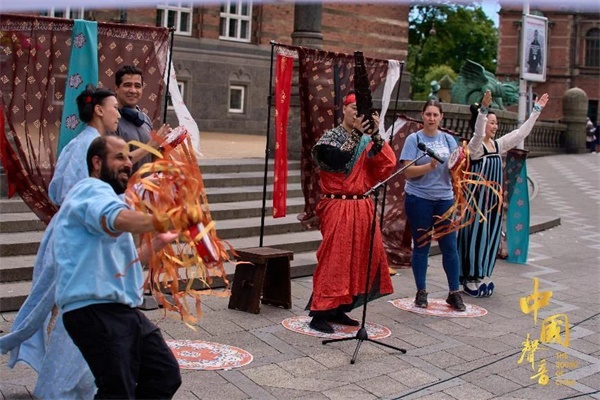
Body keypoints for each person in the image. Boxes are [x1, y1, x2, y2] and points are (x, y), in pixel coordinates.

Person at [0, 85, 162, 399]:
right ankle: (57, 390)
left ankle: (78, 388)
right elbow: (74, 193)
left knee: (88, 330)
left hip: (98, 248)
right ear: (99, 109)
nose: (118, 112)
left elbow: (112, 187)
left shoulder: (93, 145)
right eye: (114, 105)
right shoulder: (82, 148)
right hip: (84, 248)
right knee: (80, 322)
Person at [55, 135, 182, 398]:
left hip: (119, 309)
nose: (127, 163)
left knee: (163, 373)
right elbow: (115, 219)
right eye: (119, 157)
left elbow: (122, 262)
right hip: (94, 310)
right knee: (117, 390)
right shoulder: (90, 189)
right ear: (97, 162)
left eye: (128, 157)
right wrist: (163, 221)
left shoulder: (108, 197)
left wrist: (158, 242)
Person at [306, 91, 396, 334]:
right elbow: (335, 161)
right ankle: (320, 311)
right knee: (334, 259)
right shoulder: (331, 137)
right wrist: (357, 132)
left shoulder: (367, 141)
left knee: (357, 259)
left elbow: (386, 165)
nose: (357, 112)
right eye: (353, 107)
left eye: (361, 109)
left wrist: (375, 134)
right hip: (338, 205)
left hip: (362, 206)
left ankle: (339, 307)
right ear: (343, 109)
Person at [458, 91, 549, 297]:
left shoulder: (498, 146)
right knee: (475, 237)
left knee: (490, 237)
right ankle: (469, 278)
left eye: (496, 123)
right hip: (477, 204)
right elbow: (478, 133)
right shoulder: (476, 147)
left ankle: (481, 274)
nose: (495, 126)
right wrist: (483, 110)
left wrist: (536, 111)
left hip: (492, 204)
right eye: (492, 122)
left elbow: (520, 134)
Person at [399, 100, 466, 312]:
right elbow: (407, 171)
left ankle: (454, 292)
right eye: (428, 114)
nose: (431, 118)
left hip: (444, 199)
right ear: (422, 116)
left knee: (450, 247)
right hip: (419, 199)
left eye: (435, 115)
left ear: (441, 117)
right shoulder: (414, 139)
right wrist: (429, 166)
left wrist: (461, 166)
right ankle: (421, 291)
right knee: (421, 246)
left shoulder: (448, 139)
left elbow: (456, 167)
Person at [114, 65, 169, 173]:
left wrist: (165, 148)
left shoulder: (146, 119)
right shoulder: (111, 120)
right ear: (117, 88)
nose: (133, 90)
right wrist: (150, 145)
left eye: (137, 86)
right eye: (127, 85)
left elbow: (152, 158)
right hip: (123, 189)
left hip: (145, 187)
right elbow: (115, 163)